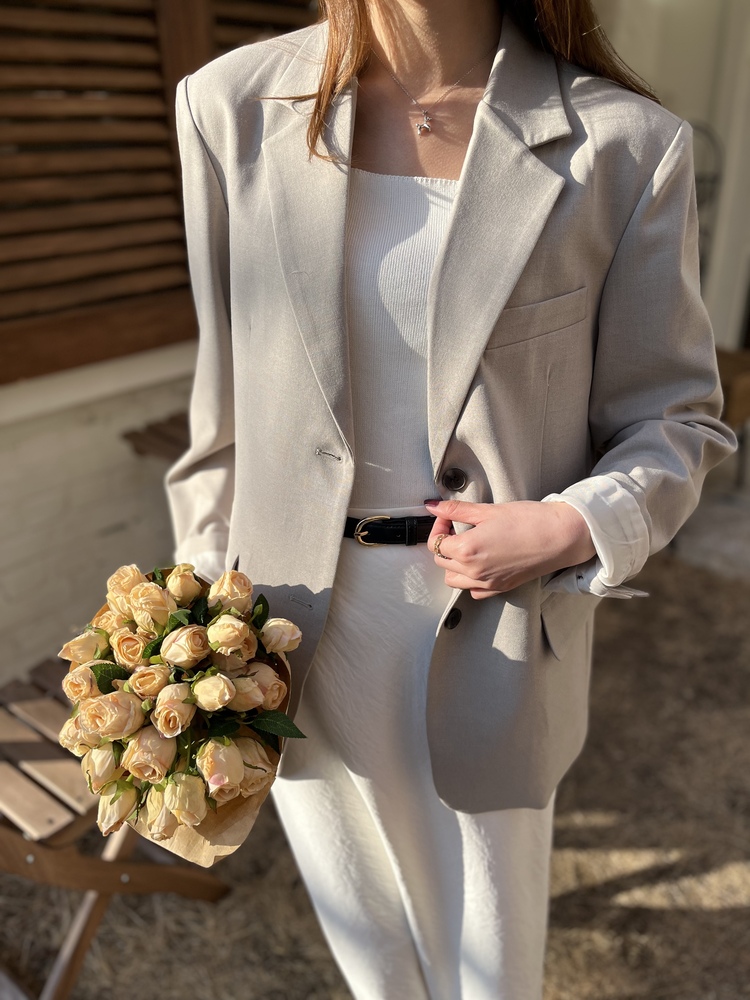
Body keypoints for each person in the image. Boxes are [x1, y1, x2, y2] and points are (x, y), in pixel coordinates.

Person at [166, 1, 736, 996]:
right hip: (289, 633)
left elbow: (678, 418)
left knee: (491, 960)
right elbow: (224, 414)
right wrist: (195, 616)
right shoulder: (230, 106)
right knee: (369, 945)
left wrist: (573, 523)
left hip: (494, 636)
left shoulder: (625, 145)